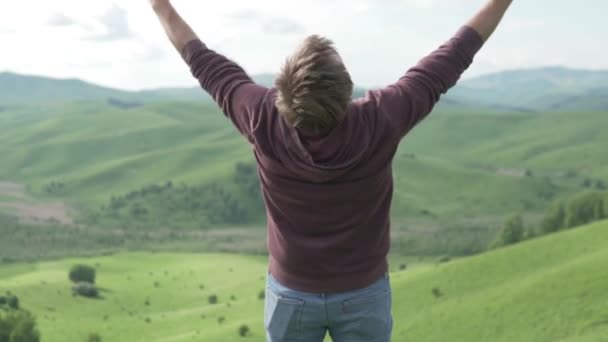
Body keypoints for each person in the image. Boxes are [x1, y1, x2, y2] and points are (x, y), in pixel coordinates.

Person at [150, 0, 513, 341]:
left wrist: (159, 6)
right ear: (347, 89)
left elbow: (199, 59)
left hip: (290, 294)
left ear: (282, 90)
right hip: (363, 293)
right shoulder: (380, 120)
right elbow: (453, 57)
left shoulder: (262, 117)